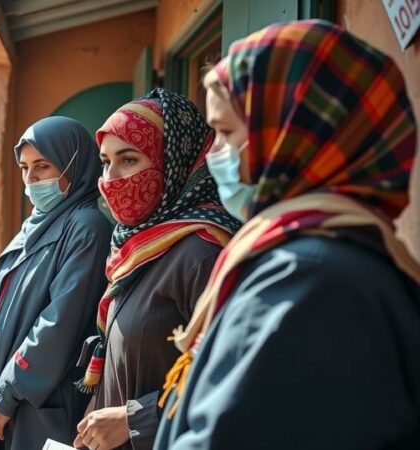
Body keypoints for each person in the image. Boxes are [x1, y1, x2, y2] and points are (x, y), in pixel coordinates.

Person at [155, 20, 420, 450]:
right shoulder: (318, 259)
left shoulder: (309, 280)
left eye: (224, 134)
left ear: (293, 137)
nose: (214, 158)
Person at [73, 89, 240, 450]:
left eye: (129, 160)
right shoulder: (133, 246)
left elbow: (230, 374)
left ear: (173, 162)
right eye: (105, 161)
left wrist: (136, 419)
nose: (112, 178)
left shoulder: (202, 253)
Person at [0, 116, 113, 450]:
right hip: (2, 395)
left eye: (42, 166)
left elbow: (59, 322)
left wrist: (7, 391)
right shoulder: (33, 226)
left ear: (74, 164)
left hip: (39, 400)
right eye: (25, 167)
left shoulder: (87, 228)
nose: (31, 179)